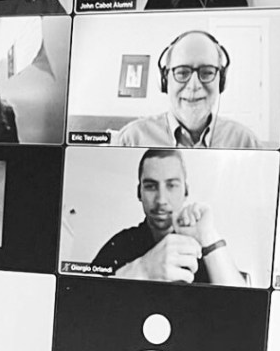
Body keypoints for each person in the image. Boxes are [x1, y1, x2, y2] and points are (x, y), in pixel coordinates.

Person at [91, 149, 245, 285]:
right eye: (151, 186)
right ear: (139, 193)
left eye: (171, 185)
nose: (161, 200)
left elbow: (241, 305)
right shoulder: (120, 245)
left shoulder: (202, 247)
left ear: (186, 191)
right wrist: (143, 270)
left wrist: (208, 236)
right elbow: (85, 298)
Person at [115, 30, 261, 149]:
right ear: (164, 80)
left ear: (221, 80)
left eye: (207, 72)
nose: (194, 85)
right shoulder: (130, 140)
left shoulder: (245, 142)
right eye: (182, 72)